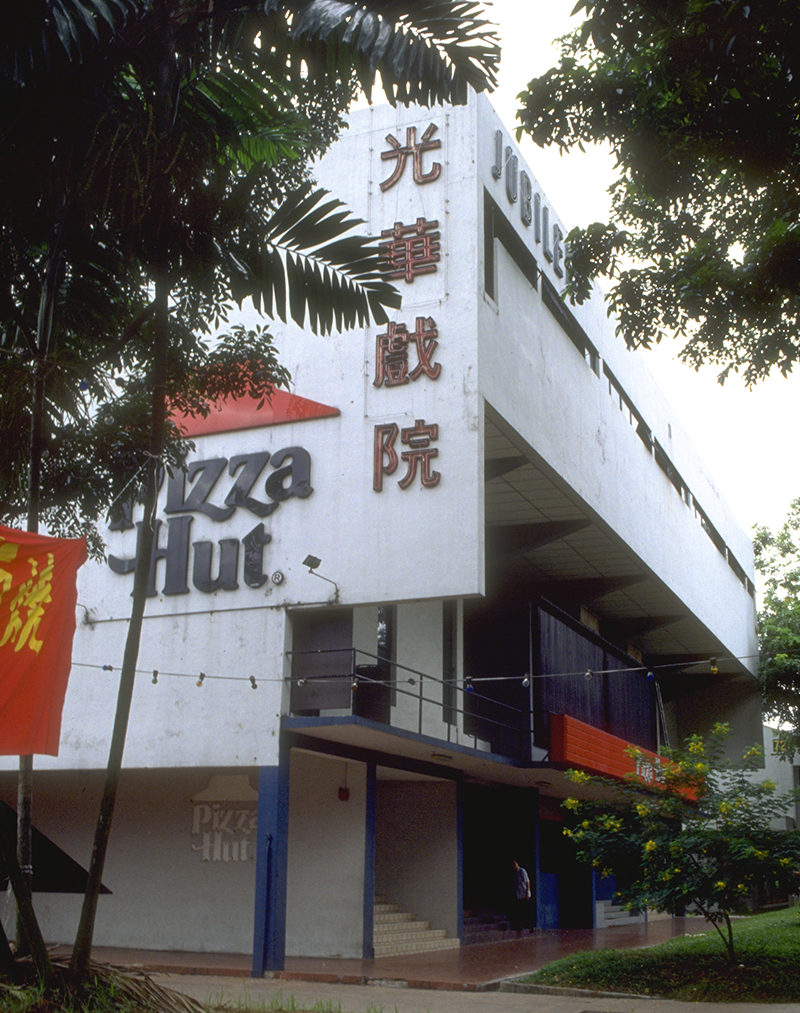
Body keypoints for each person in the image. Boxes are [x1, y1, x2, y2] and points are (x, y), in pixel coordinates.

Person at [511, 859, 532, 932]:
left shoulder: (522, 871)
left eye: (514, 864)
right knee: (519, 911)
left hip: (524, 894)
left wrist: (527, 892)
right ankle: (520, 926)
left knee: (526, 910)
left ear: (517, 863)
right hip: (518, 895)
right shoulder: (515, 873)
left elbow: (527, 881)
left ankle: (531, 925)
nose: (513, 866)